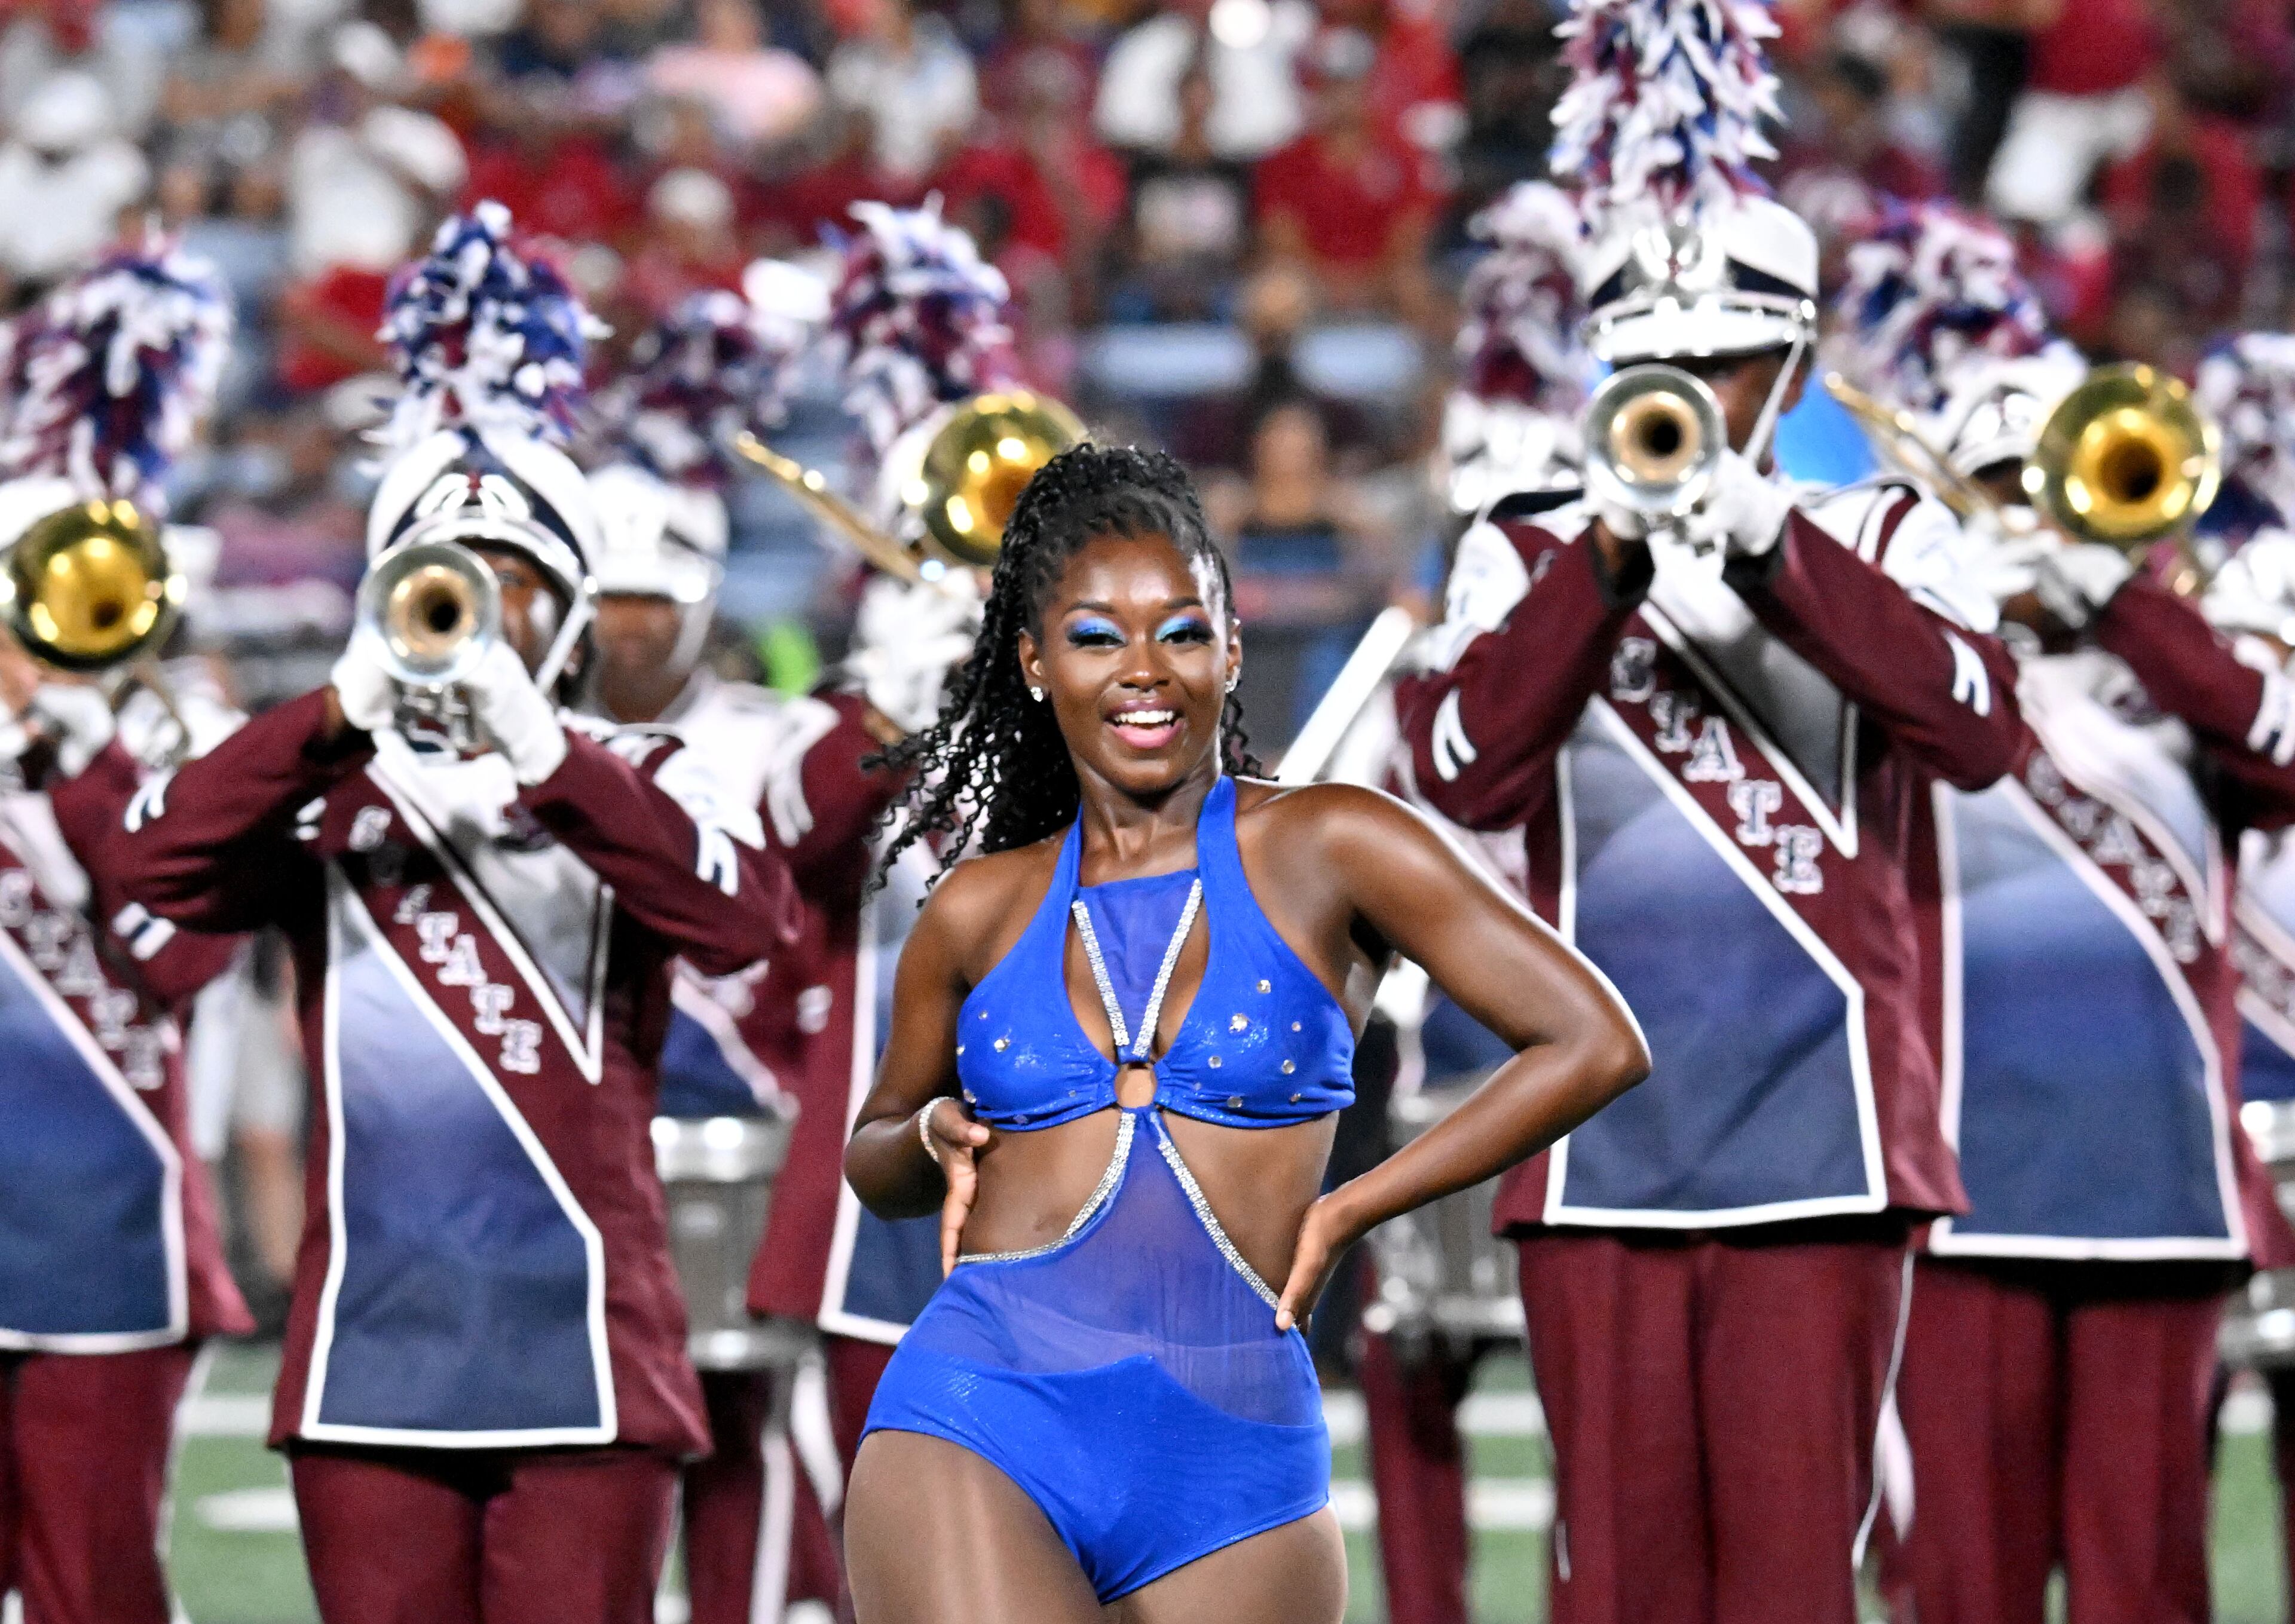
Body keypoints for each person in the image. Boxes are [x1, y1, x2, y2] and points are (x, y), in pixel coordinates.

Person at [1393, 4, 2026, 1616]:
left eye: (1729, 364)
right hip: (1595, 1131)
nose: (1687, 392)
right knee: (1618, 1577)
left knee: (1797, 1574)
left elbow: (1976, 731)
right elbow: (1464, 762)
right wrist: (1605, 562)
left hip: (1827, 1130)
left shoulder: (1883, 528)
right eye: (1654, 367)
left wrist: (1764, 541)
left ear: (1794, 367)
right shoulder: (1523, 545)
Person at [108, 207, 800, 1624]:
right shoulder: (318, 792)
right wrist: (337, 707)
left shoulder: (648, 776)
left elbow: (748, 925)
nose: (477, 610)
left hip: (592, 1360)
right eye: (441, 580)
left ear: (564, 610)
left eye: (518, 583)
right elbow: (155, 874)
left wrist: (540, 751)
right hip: (372, 1357)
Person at [838, 441, 1650, 1623]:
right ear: (1032, 660)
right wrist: (932, 1134)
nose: (1142, 671)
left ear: (1230, 645)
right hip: (987, 1406)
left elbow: (1594, 1041)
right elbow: (874, 1156)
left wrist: (1355, 1205)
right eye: (1094, 636)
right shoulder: (976, 902)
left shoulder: (1333, 845)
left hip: (1239, 1452)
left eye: (1178, 630)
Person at [1828, 210, 2295, 1624]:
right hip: (1966, 1190)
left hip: (2162, 1187)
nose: (2034, 510)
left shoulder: (2193, 658)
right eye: (1999, 482)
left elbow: (2280, 754)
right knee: (1963, 1580)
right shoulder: (1918, 687)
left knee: (2146, 1579)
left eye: (2057, 481)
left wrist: (2126, 605)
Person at [581, 272, 978, 1624]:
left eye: (657, 598)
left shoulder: (767, 715)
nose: (631, 625)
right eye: (613, 599)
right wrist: (891, 700)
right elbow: (796, 833)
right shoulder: (759, 733)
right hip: (696, 1127)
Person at [0, 238, 253, 1624]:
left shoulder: (163, 751)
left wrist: (94, 770)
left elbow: (181, 954)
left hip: (102, 1229)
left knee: (94, 1590)